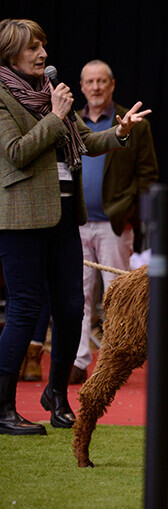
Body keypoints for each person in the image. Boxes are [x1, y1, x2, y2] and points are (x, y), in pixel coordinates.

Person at [0, 19, 151, 435]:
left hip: (66, 217)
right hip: (23, 220)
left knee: (71, 309)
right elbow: (16, 153)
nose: (43, 54)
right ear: (11, 54)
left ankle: (57, 396)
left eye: (44, 45)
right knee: (25, 309)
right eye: (33, 48)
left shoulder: (50, 94)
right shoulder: (3, 98)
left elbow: (86, 140)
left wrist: (119, 132)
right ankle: (2, 406)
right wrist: (56, 116)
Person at [70, 59, 158, 384]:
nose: (95, 87)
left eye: (101, 81)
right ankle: (77, 363)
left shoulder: (134, 124)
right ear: (81, 87)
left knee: (117, 298)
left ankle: (114, 363)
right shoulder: (70, 122)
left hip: (114, 225)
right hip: (75, 224)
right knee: (76, 297)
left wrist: (129, 212)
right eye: (89, 82)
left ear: (112, 84)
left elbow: (148, 176)